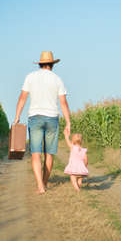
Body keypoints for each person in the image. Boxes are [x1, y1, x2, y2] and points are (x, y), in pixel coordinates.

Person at [13, 51, 71, 194]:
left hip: (35, 117)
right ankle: (44, 182)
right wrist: (68, 122)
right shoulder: (58, 79)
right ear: (52, 64)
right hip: (52, 118)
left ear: (40, 64)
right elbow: (63, 103)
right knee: (49, 154)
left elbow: (22, 98)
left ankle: (40, 186)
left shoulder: (30, 77)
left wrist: (17, 116)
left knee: (36, 154)